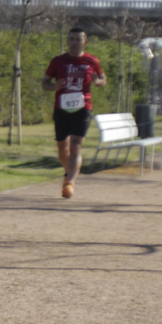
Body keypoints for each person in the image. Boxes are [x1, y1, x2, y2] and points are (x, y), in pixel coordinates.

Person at [41, 27, 106, 198]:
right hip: (61, 107)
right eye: (72, 39)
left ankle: (71, 182)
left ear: (85, 42)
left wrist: (98, 82)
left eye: (78, 39)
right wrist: (54, 86)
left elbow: (102, 78)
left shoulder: (92, 60)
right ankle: (67, 173)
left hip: (83, 107)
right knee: (63, 147)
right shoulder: (58, 61)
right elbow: (45, 82)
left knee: (76, 145)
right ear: (68, 41)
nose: (75, 42)